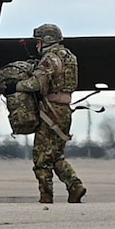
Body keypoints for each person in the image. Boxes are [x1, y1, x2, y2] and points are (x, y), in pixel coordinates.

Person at [17, 23, 87, 203]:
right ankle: (74, 185)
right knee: (56, 155)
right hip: (65, 109)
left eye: (38, 42)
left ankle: (46, 195)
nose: (37, 45)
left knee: (41, 157)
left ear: (46, 41)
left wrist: (16, 86)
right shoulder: (70, 57)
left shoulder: (50, 58)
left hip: (50, 110)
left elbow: (36, 84)